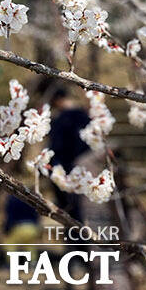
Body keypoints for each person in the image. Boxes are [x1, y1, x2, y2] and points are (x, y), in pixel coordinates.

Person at [48, 88, 90, 220]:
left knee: (70, 201)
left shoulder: (66, 116)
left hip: (65, 162)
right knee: (72, 200)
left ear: (57, 100)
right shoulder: (80, 114)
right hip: (72, 161)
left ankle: (74, 226)